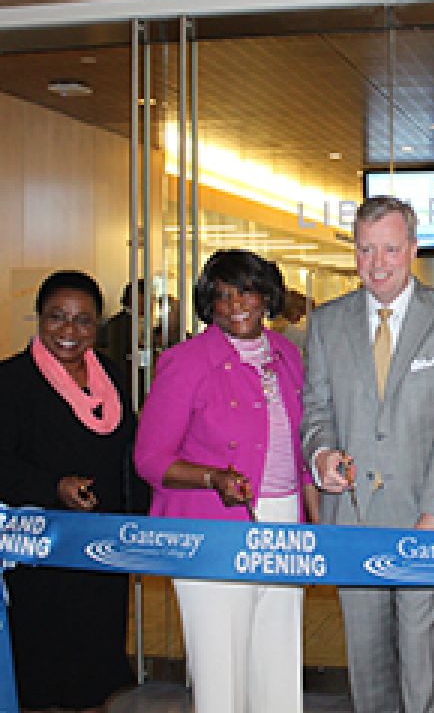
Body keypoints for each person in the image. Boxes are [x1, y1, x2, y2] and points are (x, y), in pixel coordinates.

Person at [302, 195, 434, 713]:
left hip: (426, 518)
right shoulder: (328, 323)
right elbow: (316, 410)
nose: (377, 263)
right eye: (365, 250)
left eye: (389, 249)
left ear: (413, 248)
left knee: (426, 665)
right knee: (368, 669)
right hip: (352, 521)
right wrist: (322, 458)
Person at [133, 249, 310, 713]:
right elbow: (150, 459)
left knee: (279, 652)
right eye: (223, 296)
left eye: (247, 291)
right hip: (212, 525)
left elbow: (304, 442)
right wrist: (211, 477)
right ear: (208, 304)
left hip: (285, 518)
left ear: (267, 295)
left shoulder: (288, 355)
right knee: (221, 664)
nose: (237, 305)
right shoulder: (185, 362)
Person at [0, 270, 141, 713]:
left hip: (100, 549)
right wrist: (54, 486)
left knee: (93, 672)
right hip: (37, 551)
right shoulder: (7, 381)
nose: (69, 331)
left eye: (83, 320)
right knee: (41, 674)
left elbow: (128, 452)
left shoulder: (113, 377)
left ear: (97, 325)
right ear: (39, 319)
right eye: (57, 318)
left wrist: (138, 522)